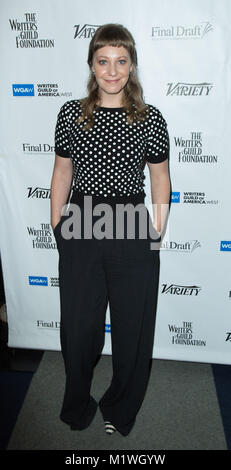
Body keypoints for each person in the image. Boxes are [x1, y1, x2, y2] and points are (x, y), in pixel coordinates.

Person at [50, 23, 170, 437]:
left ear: (132, 65)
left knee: (132, 327)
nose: (112, 70)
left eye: (121, 61)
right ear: (92, 65)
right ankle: (78, 403)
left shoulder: (149, 118)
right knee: (79, 328)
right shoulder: (71, 113)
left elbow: (159, 179)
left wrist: (155, 231)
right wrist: (57, 225)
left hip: (132, 224)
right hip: (81, 222)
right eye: (104, 61)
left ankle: (121, 407)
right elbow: (62, 171)